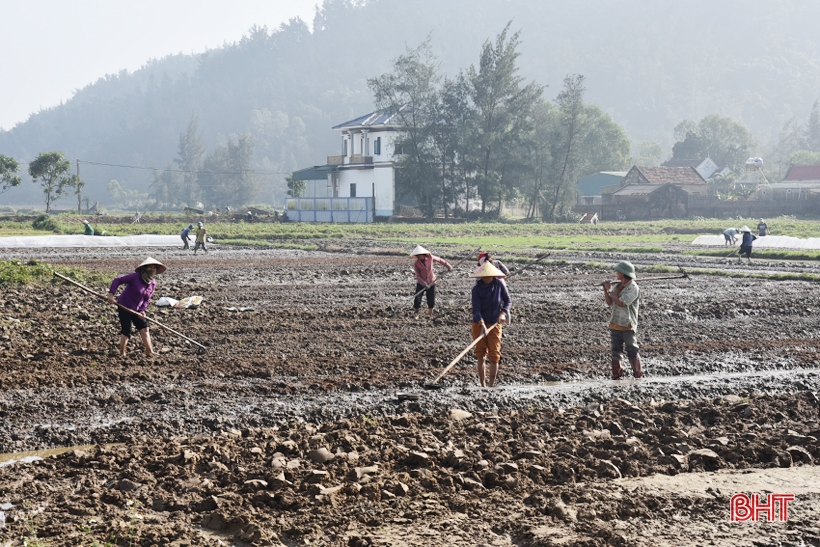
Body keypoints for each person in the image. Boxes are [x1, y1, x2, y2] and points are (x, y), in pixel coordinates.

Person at [107, 257, 166, 357]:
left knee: (144, 328)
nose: (152, 269)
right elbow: (117, 280)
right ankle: (122, 353)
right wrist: (111, 295)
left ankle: (149, 351)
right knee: (127, 330)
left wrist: (143, 310)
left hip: (137, 310)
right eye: (149, 267)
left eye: (154, 268)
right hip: (124, 306)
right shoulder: (135, 277)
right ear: (144, 268)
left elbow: (147, 299)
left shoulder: (152, 283)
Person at [471, 261, 511, 387]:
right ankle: (482, 385)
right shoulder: (476, 289)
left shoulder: (499, 285)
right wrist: (482, 324)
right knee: (481, 354)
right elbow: (476, 309)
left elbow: (508, 300)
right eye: (484, 275)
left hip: (495, 324)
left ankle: (491, 385)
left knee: (494, 355)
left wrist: (503, 313)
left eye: (489, 275)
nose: (487, 278)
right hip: (479, 323)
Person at [602, 261, 642, 380]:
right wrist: (606, 291)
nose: (616, 273)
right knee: (616, 351)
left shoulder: (633, 288)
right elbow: (610, 302)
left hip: (627, 324)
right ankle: (617, 375)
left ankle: (638, 374)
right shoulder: (618, 286)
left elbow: (621, 303)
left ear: (623, 274)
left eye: (618, 272)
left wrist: (609, 291)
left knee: (632, 349)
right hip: (615, 323)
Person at [411, 245, 453, 317]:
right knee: (417, 299)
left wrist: (448, 266)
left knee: (431, 300)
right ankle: (416, 314)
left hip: (431, 282)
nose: (418, 256)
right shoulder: (416, 264)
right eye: (417, 255)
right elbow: (418, 275)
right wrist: (424, 283)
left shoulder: (430, 257)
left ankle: (429, 315)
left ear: (422, 254)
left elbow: (440, 260)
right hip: (421, 283)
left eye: (419, 255)